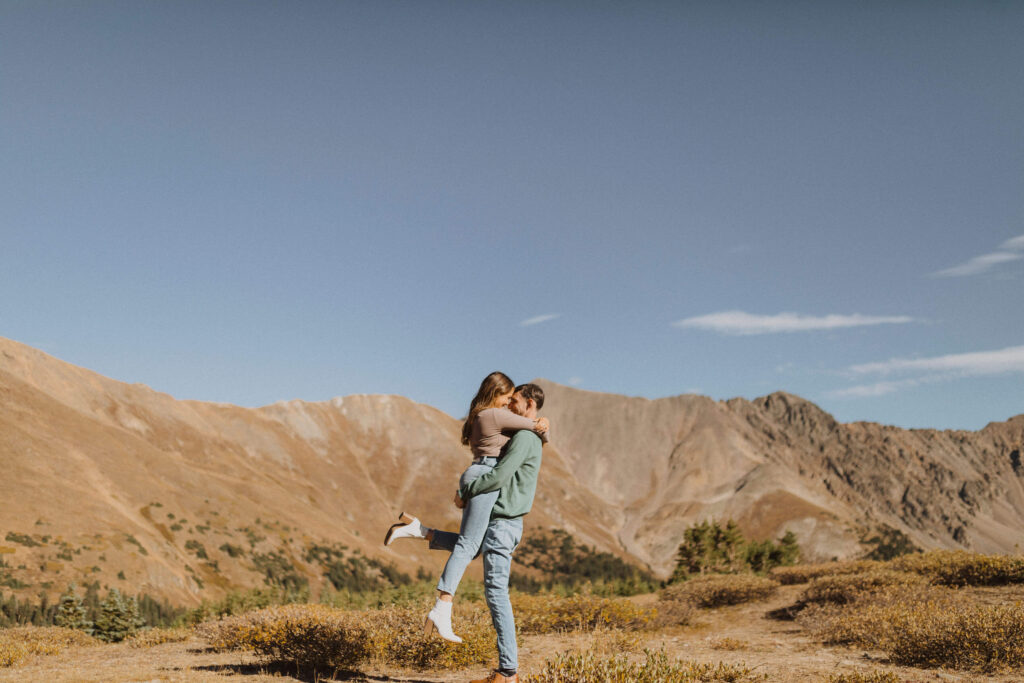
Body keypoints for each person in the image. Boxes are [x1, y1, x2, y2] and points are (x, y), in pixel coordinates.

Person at [383, 372, 548, 643]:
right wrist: (544, 423)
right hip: (485, 477)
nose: (508, 403)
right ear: (496, 394)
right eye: (507, 397)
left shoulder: (482, 414)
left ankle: (418, 530)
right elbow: (537, 429)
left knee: (474, 546)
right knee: (469, 546)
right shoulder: (493, 415)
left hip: (480, 474)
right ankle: (442, 608)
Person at [455, 383, 546, 683]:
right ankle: (421, 532)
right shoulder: (529, 435)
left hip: (503, 522)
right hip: (507, 523)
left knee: (496, 595)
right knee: (467, 547)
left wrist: (467, 492)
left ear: (529, 403)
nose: (508, 407)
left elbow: (499, 476)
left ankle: (508, 672)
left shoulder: (523, 437)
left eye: (514, 401)